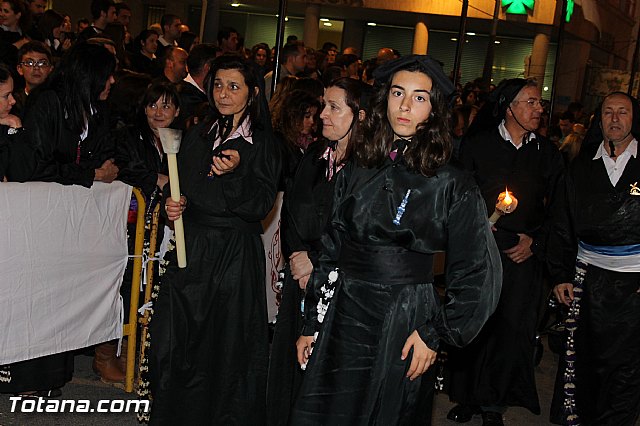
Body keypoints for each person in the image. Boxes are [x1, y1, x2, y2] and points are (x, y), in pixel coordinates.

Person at [291, 55, 502, 425]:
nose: (405, 106)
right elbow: (330, 250)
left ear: (434, 109)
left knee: (385, 413)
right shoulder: (358, 166)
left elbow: (478, 272)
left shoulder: (452, 182)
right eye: (397, 93)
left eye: (420, 97)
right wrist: (311, 323)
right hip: (344, 311)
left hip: (403, 318)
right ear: (383, 100)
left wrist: (434, 334)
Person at [148, 54, 280, 425]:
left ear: (252, 93)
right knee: (175, 340)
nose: (223, 94)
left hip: (233, 257)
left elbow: (259, 205)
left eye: (234, 86)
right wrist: (178, 206)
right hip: (192, 251)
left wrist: (235, 174)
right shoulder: (199, 133)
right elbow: (185, 189)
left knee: (226, 348)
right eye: (218, 85)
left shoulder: (264, 143)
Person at [447, 78, 565, 426]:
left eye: (539, 102)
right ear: (509, 106)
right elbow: (458, 194)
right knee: (475, 324)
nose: (539, 109)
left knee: (510, 328)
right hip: (480, 250)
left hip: (522, 254)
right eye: (531, 102)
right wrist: (477, 227)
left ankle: (493, 404)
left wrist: (535, 240)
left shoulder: (547, 153)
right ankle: (466, 396)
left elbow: (560, 209)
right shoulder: (477, 144)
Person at [267, 77, 366, 426]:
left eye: (334, 107)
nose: (322, 114)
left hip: (341, 285)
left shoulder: (369, 168)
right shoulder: (313, 155)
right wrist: (297, 256)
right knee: (293, 363)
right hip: (301, 276)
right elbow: (292, 209)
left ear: (361, 116)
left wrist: (315, 260)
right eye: (323, 105)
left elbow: (356, 228)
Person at [548, 92, 640, 425]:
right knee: (582, 360)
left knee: (627, 367)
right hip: (587, 280)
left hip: (635, 284)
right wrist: (560, 274)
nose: (615, 119)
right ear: (598, 119)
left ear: (634, 118)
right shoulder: (580, 167)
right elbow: (562, 223)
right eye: (608, 112)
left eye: (623, 112)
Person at [12, 40, 52, 118]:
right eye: (29, 63)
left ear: (50, 69)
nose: (36, 67)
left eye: (42, 63)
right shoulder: (13, 102)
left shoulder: (58, 100)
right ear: (19, 69)